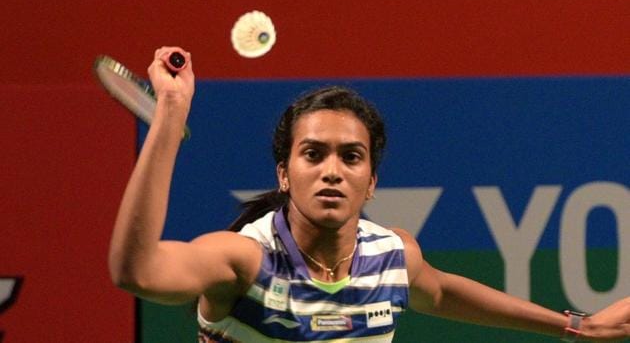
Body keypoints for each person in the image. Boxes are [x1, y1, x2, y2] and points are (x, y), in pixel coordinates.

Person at [108, 47, 630, 342]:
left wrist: (571, 324)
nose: (332, 171)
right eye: (313, 154)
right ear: (284, 175)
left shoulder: (390, 255)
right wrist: (170, 119)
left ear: (372, 182)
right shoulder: (244, 261)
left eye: (350, 157)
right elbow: (137, 271)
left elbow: (443, 291)